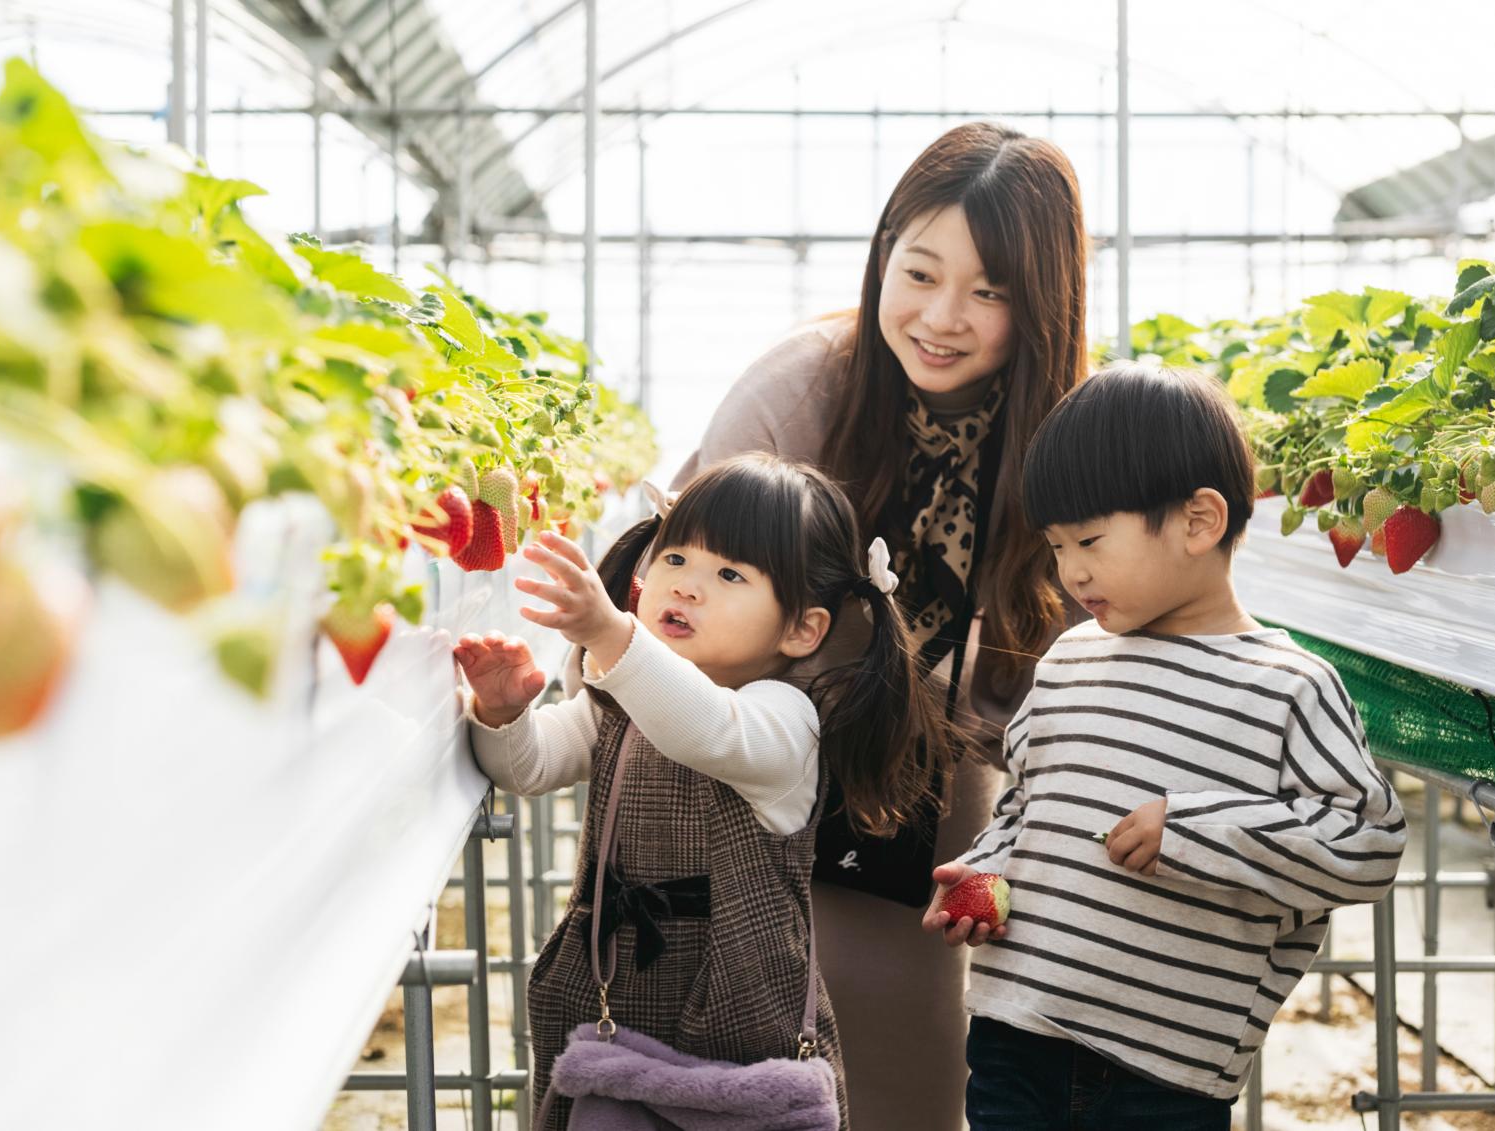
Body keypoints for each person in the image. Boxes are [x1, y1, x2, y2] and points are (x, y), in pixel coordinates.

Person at [673, 120, 1090, 1125]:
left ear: (1040, 304)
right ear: (880, 257)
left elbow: (1086, 647)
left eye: (989, 292)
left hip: (924, 789)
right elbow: (671, 600)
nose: (941, 317)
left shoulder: (1062, 436)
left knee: (904, 1077)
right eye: (918, 272)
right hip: (744, 760)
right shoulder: (801, 390)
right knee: (730, 1062)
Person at [923, 363, 1408, 1129]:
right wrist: (985, 869)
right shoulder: (1070, 660)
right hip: (1015, 1030)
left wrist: (1193, 832)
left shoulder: (1288, 686)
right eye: (1055, 546)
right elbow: (1027, 804)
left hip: (1163, 1070)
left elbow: (1370, 842)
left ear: (1198, 521)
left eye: (1089, 539)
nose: (1071, 569)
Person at [455, 454, 956, 1131]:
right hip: (610, 1005)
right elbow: (531, 766)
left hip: (735, 1031)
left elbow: (707, 731)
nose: (687, 587)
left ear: (802, 628)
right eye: (676, 558)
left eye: (728, 574)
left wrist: (610, 633)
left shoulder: (785, 721)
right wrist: (502, 714)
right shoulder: (616, 700)